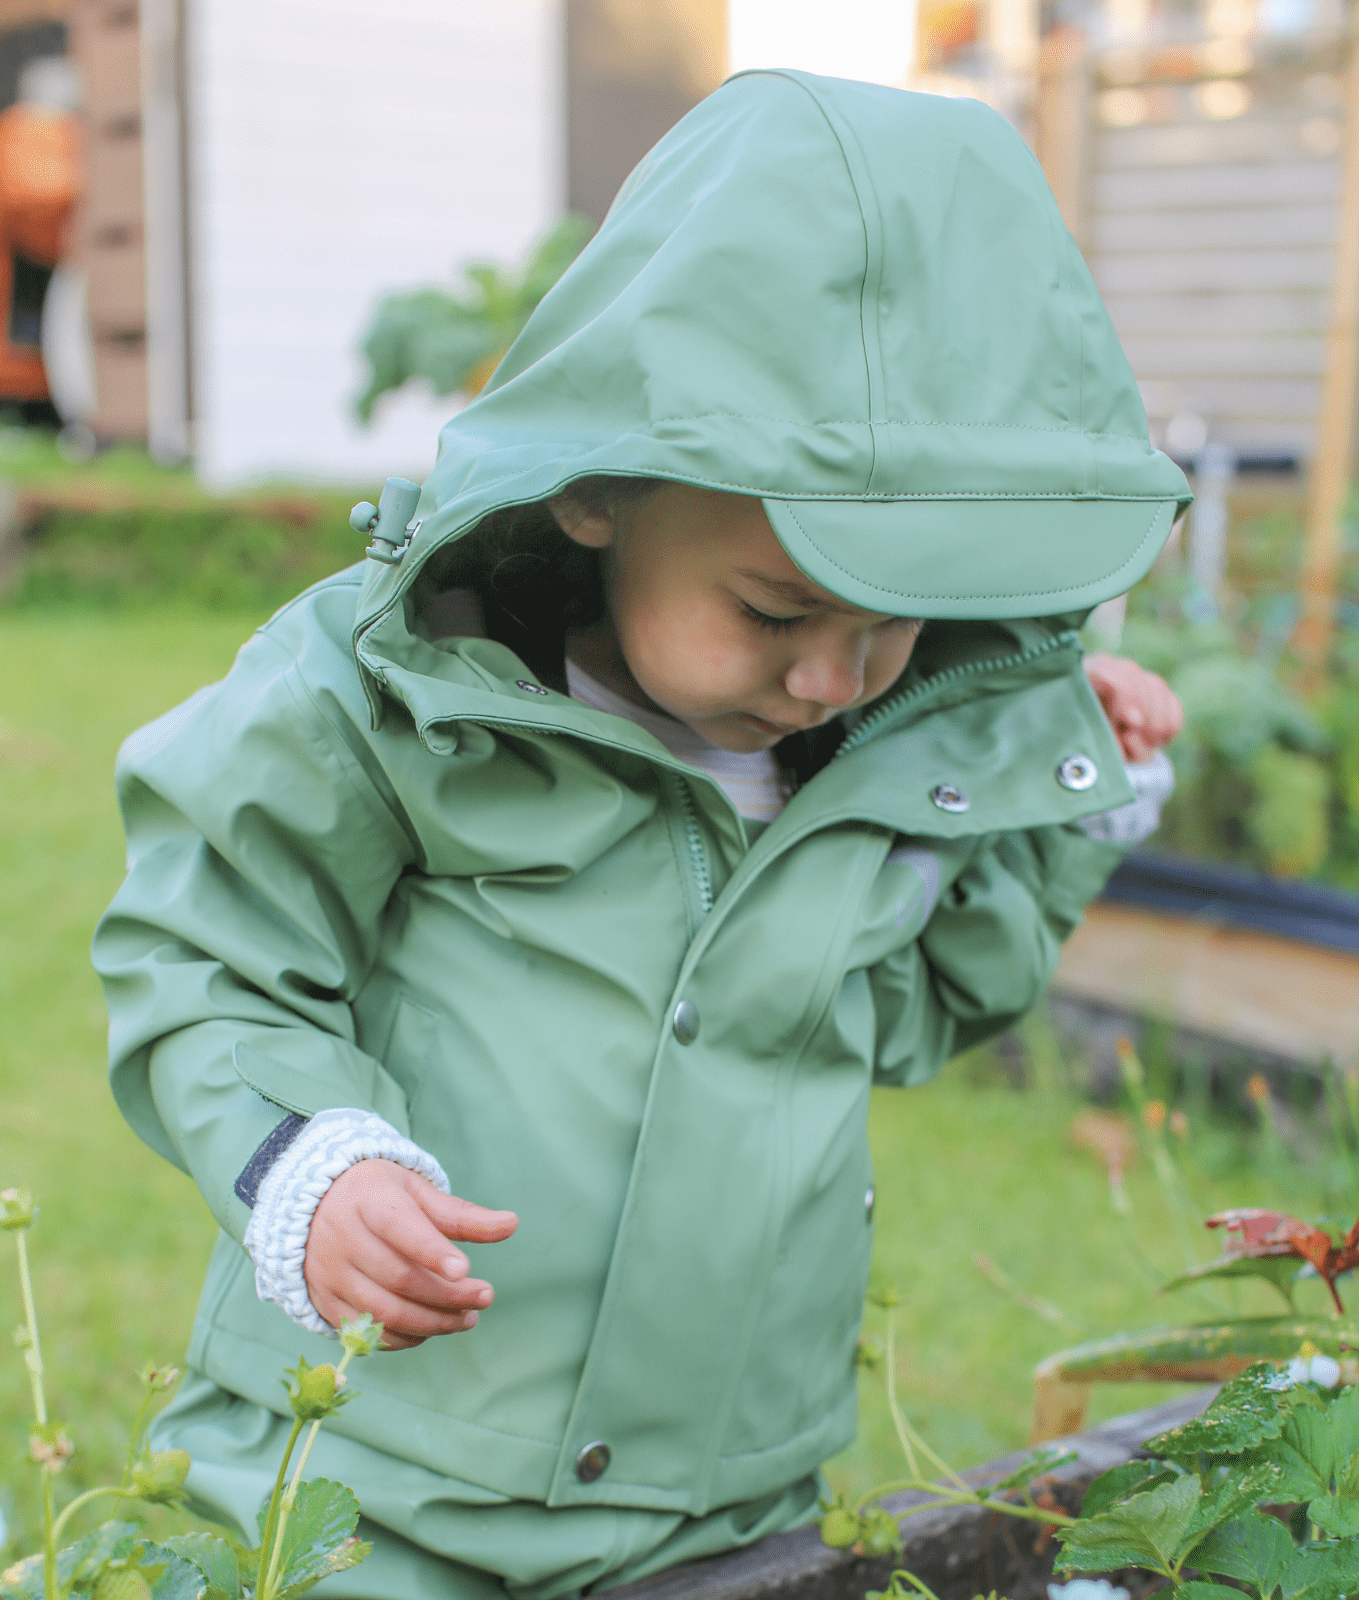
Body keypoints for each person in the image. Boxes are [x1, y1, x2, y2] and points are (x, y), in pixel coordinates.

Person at [94, 70, 1189, 1600]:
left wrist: (1068, 805)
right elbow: (205, 952)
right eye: (773, 608)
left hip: (731, 1501)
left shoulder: (873, 750)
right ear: (602, 487)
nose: (827, 678)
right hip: (375, 1485)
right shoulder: (394, 695)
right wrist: (308, 1163)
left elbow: (921, 1007)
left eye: (892, 627)